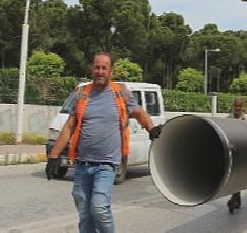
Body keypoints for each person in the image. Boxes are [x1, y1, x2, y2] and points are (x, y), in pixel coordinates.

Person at [46, 52, 162, 233]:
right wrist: (54, 156)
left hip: (106, 165)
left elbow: (138, 112)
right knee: (84, 212)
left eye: (104, 68)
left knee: (99, 208)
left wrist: (151, 128)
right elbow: (69, 126)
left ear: (111, 71)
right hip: (82, 164)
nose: (100, 71)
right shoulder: (82, 93)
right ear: (92, 69)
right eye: (97, 67)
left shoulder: (120, 92)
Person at [227, 97, 245, 214]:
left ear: (243, 107)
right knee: (233, 177)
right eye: (236, 106)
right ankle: (235, 200)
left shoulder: (246, 121)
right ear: (233, 106)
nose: (237, 108)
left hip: (242, 153)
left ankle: (236, 200)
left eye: (239, 106)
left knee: (238, 178)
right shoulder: (228, 120)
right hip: (231, 153)